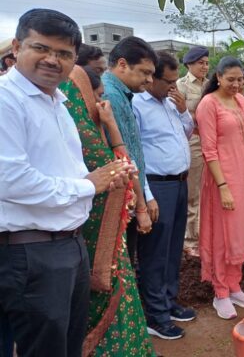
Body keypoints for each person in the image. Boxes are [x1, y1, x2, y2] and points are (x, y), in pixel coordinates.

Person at [0, 8, 132, 357]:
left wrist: (109, 178)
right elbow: (10, 180)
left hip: (68, 245)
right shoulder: (5, 99)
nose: (52, 60)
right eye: (41, 48)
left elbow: (66, 170)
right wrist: (90, 185)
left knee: (67, 345)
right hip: (30, 250)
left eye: (63, 54)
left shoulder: (57, 101)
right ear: (16, 47)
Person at [59, 64, 155, 355]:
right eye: (97, 95)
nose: (102, 102)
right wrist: (112, 127)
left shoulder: (88, 127)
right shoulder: (84, 139)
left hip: (104, 241)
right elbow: (123, 167)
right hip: (87, 242)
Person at [195, 57, 244, 319]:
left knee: (240, 234)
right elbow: (208, 150)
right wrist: (223, 187)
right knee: (222, 236)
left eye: (241, 79)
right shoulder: (208, 104)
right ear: (218, 77)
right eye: (231, 80)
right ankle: (220, 292)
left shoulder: (241, 100)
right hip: (222, 180)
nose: (237, 84)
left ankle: (234, 285)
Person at [133, 51, 196, 339]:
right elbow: (135, 154)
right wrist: (146, 196)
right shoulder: (138, 104)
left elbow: (186, 134)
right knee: (155, 253)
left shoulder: (171, 103)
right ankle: (155, 315)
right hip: (157, 186)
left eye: (175, 82)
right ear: (152, 78)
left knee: (172, 250)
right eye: (168, 82)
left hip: (179, 183)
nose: (173, 87)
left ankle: (169, 302)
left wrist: (184, 111)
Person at [102, 36, 157, 265]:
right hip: (122, 198)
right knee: (121, 266)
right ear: (122, 64)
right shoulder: (111, 96)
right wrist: (141, 207)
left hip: (129, 194)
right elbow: (123, 155)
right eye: (145, 72)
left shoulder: (122, 95)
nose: (149, 80)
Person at [177, 46, 209, 258]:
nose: (205, 67)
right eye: (200, 63)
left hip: (212, 142)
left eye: (207, 63)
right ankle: (190, 240)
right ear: (189, 64)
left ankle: (205, 236)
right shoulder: (181, 85)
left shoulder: (210, 85)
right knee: (194, 193)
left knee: (208, 191)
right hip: (193, 142)